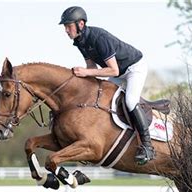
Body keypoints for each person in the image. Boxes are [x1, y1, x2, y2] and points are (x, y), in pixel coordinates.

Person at [59, 6, 155, 165]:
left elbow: (113, 69)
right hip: (117, 72)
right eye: (65, 27)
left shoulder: (99, 38)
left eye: (68, 26)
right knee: (103, 99)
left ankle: (147, 146)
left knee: (130, 101)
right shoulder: (80, 41)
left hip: (133, 68)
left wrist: (85, 72)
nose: (66, 30)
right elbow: (92, 69)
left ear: (80, 24)